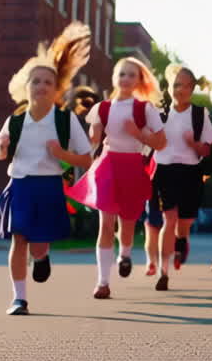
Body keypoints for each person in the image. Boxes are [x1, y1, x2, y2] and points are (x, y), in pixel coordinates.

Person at [0, 23, 94, 315]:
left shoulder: (64, 120)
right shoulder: (15, 120)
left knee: (37, 247)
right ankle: (19, 299)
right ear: (27, 88)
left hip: (49, 186)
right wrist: (1, 147)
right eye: (36, 81)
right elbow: (1, 154)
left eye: (47, 82)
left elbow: (87, 160)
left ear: (56, 89)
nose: (41, 86)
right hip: (21, 184)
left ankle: (42, 256)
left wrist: (62, 154)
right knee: (19, 239)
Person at [68, 57, 167, 300]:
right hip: (109, 165)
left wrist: (140, 134)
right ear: (115, 78)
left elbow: (161, 143)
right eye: (122, 74)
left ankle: (124, 254)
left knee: (128, 223)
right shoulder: (101, 108)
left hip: (133, 166)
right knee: (106, 223)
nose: (126, 79)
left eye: (131, 75)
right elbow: (93, 140)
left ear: (138, 80)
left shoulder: (145, 109)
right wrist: (94, 133)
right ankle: (102, 282)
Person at [148, 65, 212, 291]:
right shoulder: (158, 114)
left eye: (187, 86)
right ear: (168, 86)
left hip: (191, 171)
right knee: (169, 219)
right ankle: (163, 272)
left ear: (193, 89)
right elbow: (147, 143)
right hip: (165, 170)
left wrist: (195, 145)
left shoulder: (200, 114)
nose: (181, 90)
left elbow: (208, 149)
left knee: (184, 222)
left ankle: (182, 241)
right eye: (177, 84)